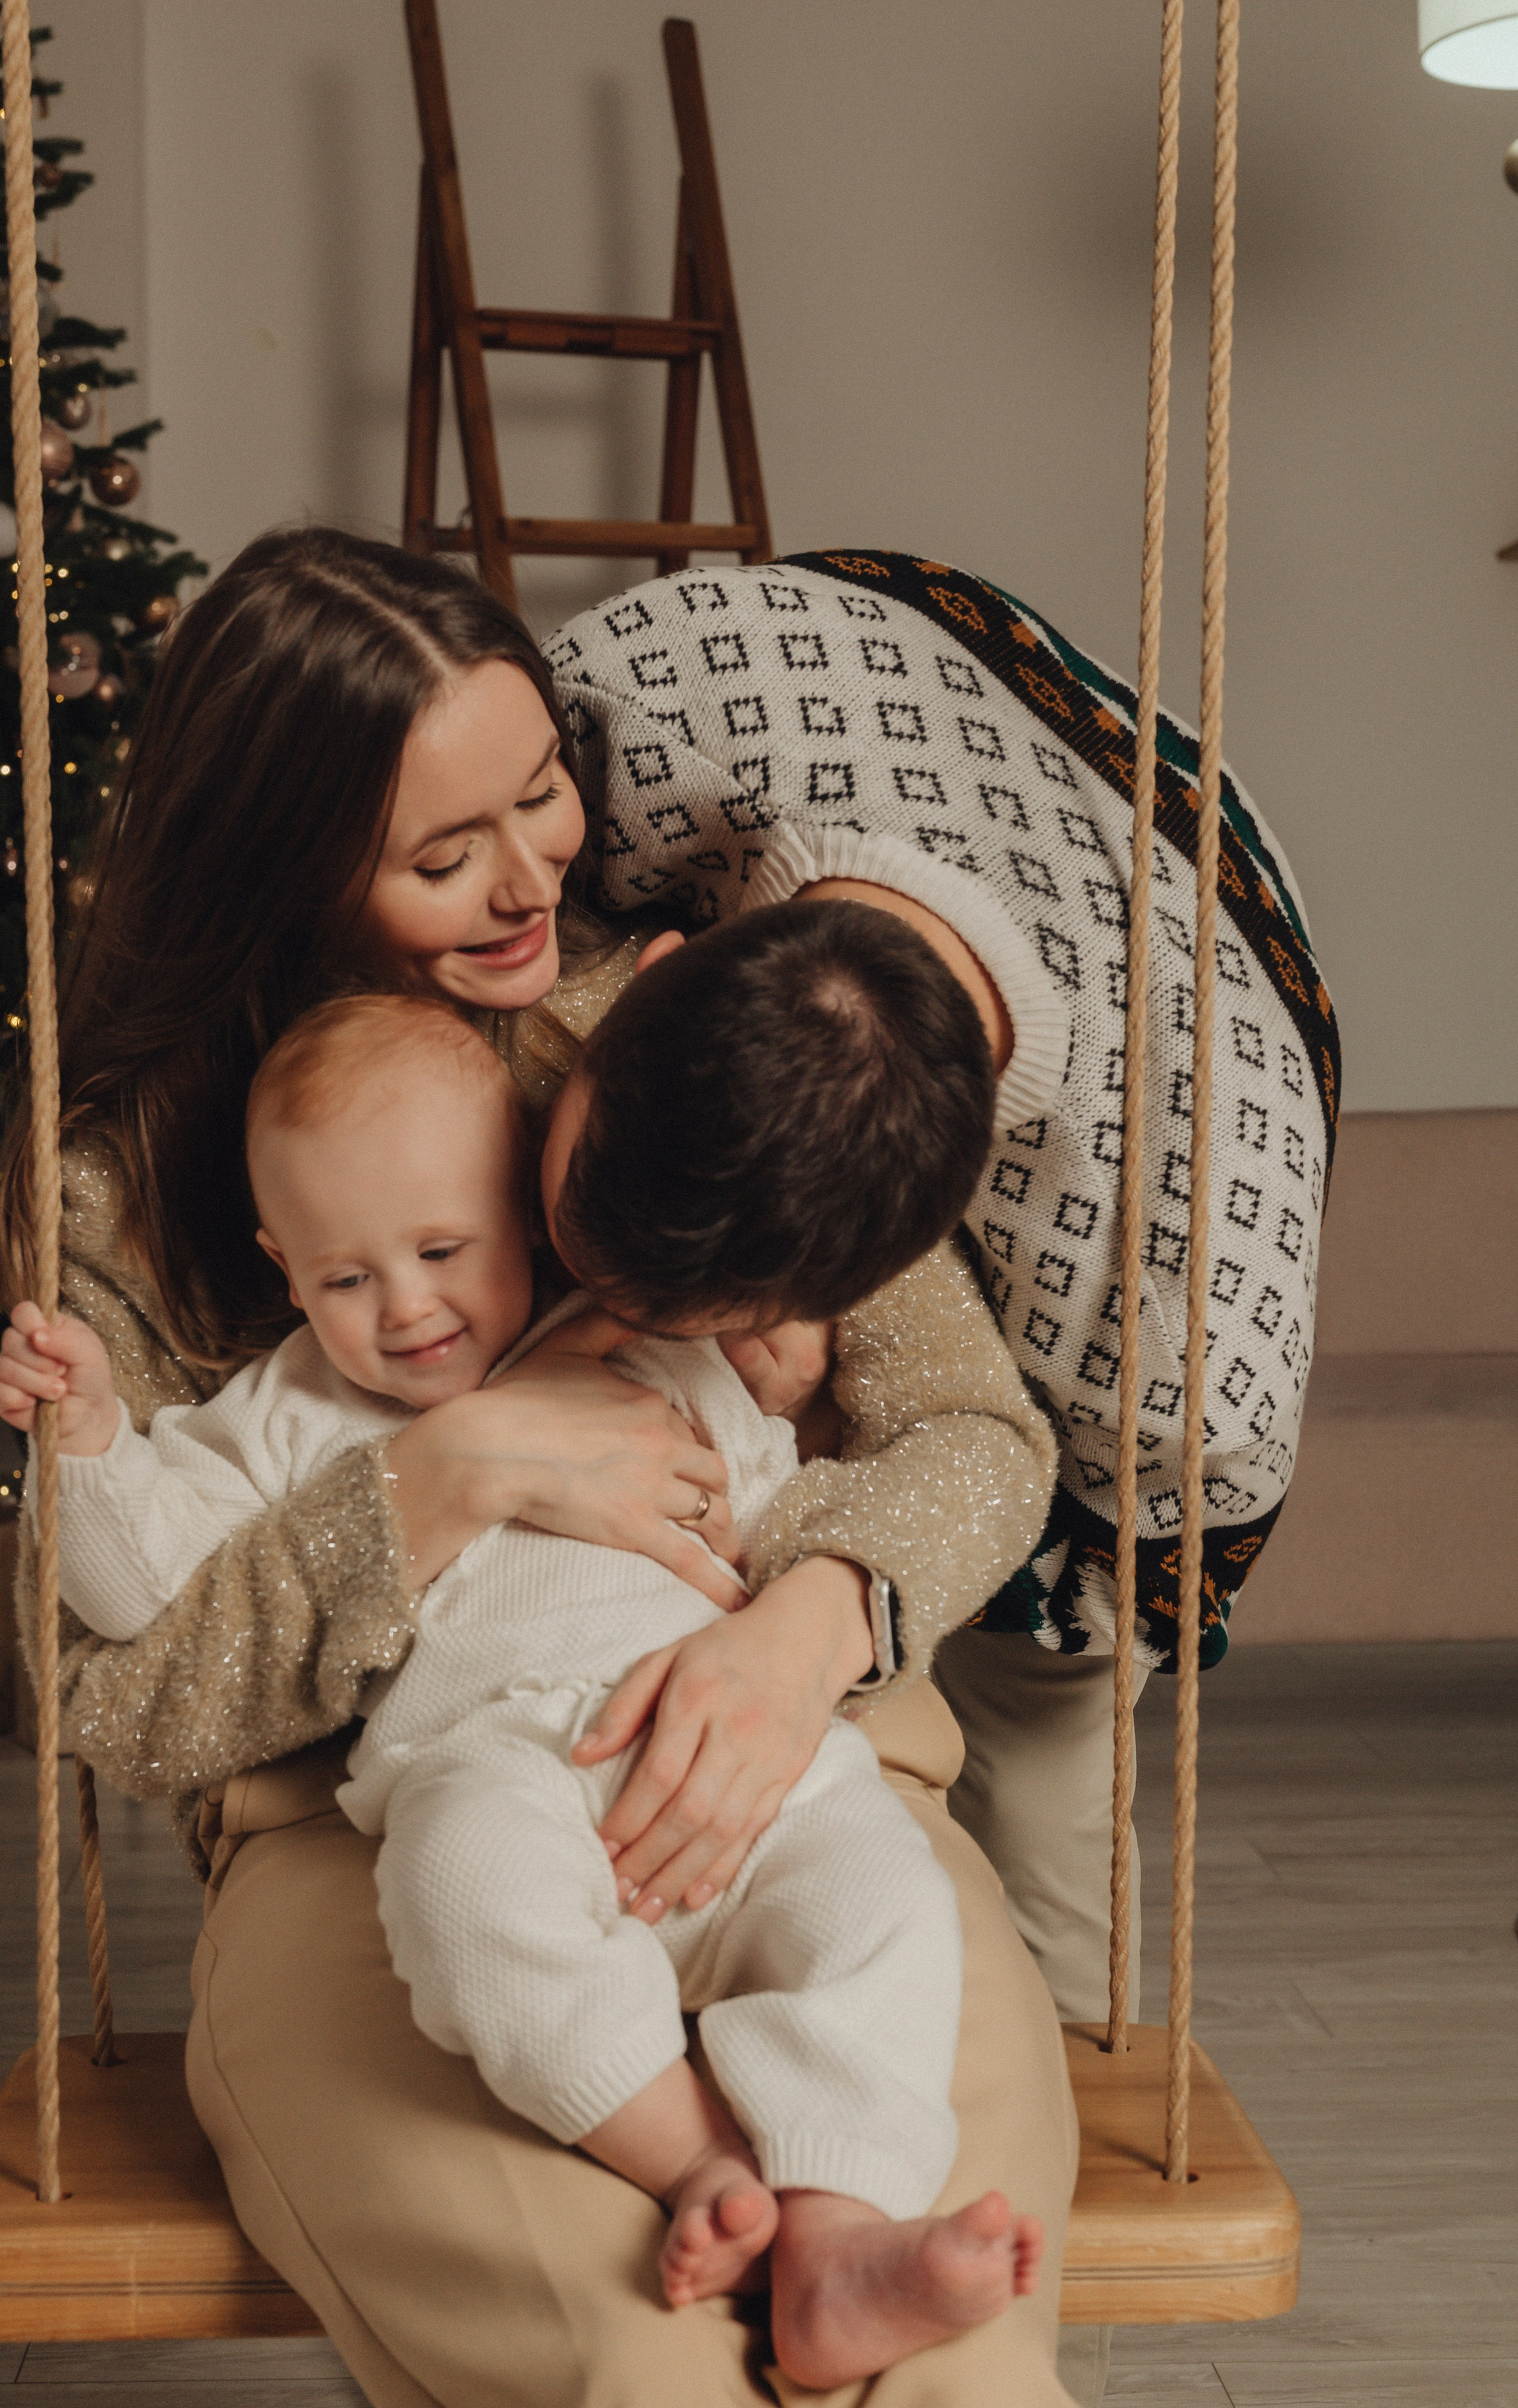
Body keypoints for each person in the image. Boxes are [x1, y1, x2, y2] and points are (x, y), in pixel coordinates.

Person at [0, 523, 1113, 2408]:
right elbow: (106, 1689)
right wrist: (440, 1473)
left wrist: (798, 1627)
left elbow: (976, 1434)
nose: (536, 881)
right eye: (448, 854)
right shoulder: (126, 1192)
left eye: (543, 798)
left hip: (796, 1779)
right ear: (288, 863)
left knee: (960, 2385)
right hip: (386, 1853)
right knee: (651, 2394)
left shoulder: (669, 1038)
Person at [0, 981, 1049, 2386]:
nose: (407, 1308)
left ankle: (841, 2239)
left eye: (443, 1249)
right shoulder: (285, 1411)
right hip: (493, 1762)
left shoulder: (660, 1332)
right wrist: (96, 1440)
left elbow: (826, 1485)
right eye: (345, 1277)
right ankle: (696, 2164)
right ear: (284, 1264)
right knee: (460, 1892)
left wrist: (794, 1428)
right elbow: (137, 1600)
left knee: (882, 1906)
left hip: (744, 1747)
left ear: (529, 1209)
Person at [544, 548, 1339, 2029]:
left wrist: (832, 1609)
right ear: (651, 971)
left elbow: (1101, 1520)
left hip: (1202, 991)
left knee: (1039, 1840)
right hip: (888, 711)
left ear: (866, 1281)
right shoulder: (648, 695)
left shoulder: (1182, 1321)